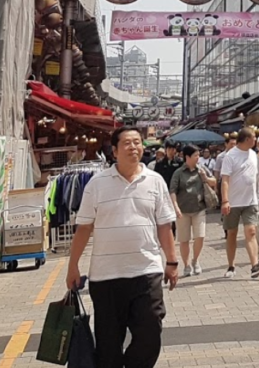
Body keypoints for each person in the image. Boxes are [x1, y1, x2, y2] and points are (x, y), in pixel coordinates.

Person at [66, 126, 178, 368]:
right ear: (114, 151)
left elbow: (164, 225)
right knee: (108, 345)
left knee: (150, 333)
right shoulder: (97, 184)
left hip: (146, 271)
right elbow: (84, 228)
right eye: (127, 143)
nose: (134, 147)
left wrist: (172, 261)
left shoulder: (155, 181)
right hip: (106, 277)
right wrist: (72, 266)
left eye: (137, 142)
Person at [220, 127, 259, 280]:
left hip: (250, 201)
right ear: (247, 139)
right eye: (254, 137)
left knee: (251, 232)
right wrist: (225, 200)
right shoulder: (230, 156)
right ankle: (231, 265)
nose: (256, 140)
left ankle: (254, 265)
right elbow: (225, 180)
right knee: (232, 234)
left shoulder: (253, 155)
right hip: (233, 202)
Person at [169, 145, 216, 277]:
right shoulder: (178, 173)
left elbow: (214, 182)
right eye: (195, 155)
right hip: (182, 211)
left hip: (199, 208)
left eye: (198, 155)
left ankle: (195, 260)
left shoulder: (201, 169)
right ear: (187, 157)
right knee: (184, 240)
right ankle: (186, 265)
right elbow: (172, 190)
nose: (198, 158)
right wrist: (176, 207)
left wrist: (205, 178)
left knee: (200, 236)